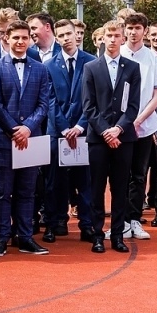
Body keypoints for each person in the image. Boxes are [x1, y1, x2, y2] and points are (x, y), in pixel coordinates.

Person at [0, 20, 52, 255]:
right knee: (2, 193)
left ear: (30, 40)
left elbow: (44, 104)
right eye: (16, 37)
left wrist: (27, 128)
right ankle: (2, 238)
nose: (20, 42)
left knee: (27, 192)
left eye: (25, 37)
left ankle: (25, 238)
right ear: (6, 38)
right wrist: (14, 129)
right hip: (3, 139)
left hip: (31, 139)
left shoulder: (40, 69)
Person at [80, 20, 142, 253]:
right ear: (103, 38)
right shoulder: (91, 67)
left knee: (120, 188)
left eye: (117, 35)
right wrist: (106, 130)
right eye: (109, 35)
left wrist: (119, 129)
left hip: (124, 138)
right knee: (96, 188)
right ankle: (97, 235)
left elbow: (133, 105)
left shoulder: (132, 68)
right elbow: (88, 106)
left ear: (123, 39)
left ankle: (118, 235)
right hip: (98, 138)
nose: (113, 39)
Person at [45, 18, 95, 243]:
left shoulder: (91, 62)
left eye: (69, 33)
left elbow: (93, 99)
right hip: (58, 132)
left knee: (84, 181)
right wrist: (65, 128)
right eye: (61, 35)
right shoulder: (48, 66)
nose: (66, 38)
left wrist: (80, 126)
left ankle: (87, 224)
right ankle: (56, 222)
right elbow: (49, 100)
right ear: (56, 39)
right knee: (55, 181)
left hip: (83, 131)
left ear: (77, 34)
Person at [119, 12, 157, 237]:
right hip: (118, 128)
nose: (133, 32)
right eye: (130, 28)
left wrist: (138, 121)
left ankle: (134, 219)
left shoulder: (154, 59)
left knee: (139, 175)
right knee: (120, 175)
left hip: (144, 127)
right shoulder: (116, 54)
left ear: (144, 31)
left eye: (138, 28)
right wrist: (124, 123)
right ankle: (120, 221)